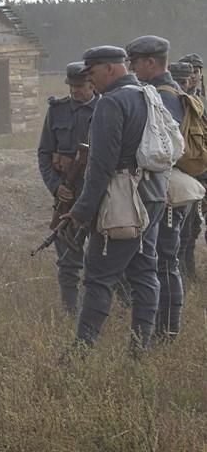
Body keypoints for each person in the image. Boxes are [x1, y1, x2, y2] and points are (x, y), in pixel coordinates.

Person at [59, 46, 162, 355]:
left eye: (92, 75)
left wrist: (81, 212)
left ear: (109, 69)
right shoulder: (148, 94)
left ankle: (79, 353)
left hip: (123, 201)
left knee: (98, 276)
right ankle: (139, 350)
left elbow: (100, 166)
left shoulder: (111, 103)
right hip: (152, 195)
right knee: (145, 273)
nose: (90, 83)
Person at [126, 36, 185, 340]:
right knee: (163, 259)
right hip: (168, 188)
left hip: (168, 190)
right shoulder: (167, 91)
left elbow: (162, 149)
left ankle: (167, 331)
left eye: (135, 62)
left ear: (151, 62)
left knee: (164, 260)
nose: (132, 68)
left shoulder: (163, 96)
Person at [36, 62, 98, 314]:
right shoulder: (57, 111)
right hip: (68, 195)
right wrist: (55, 186)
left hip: (97, 195)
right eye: (71, 87)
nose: (75, 92)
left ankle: (99, 309)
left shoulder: (107, 107)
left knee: (102, 257)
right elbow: (44, 153)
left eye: (80, 87)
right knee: (68, 259)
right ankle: (70, 311)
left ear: (92, 84)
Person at [172, 60, 205, 281]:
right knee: (182, 232)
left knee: (191, 231)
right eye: (187, 75)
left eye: (196, 72)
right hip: (183, 175)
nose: (192, 78)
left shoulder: (199, 102)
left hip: (199, 173)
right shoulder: (174, 103)